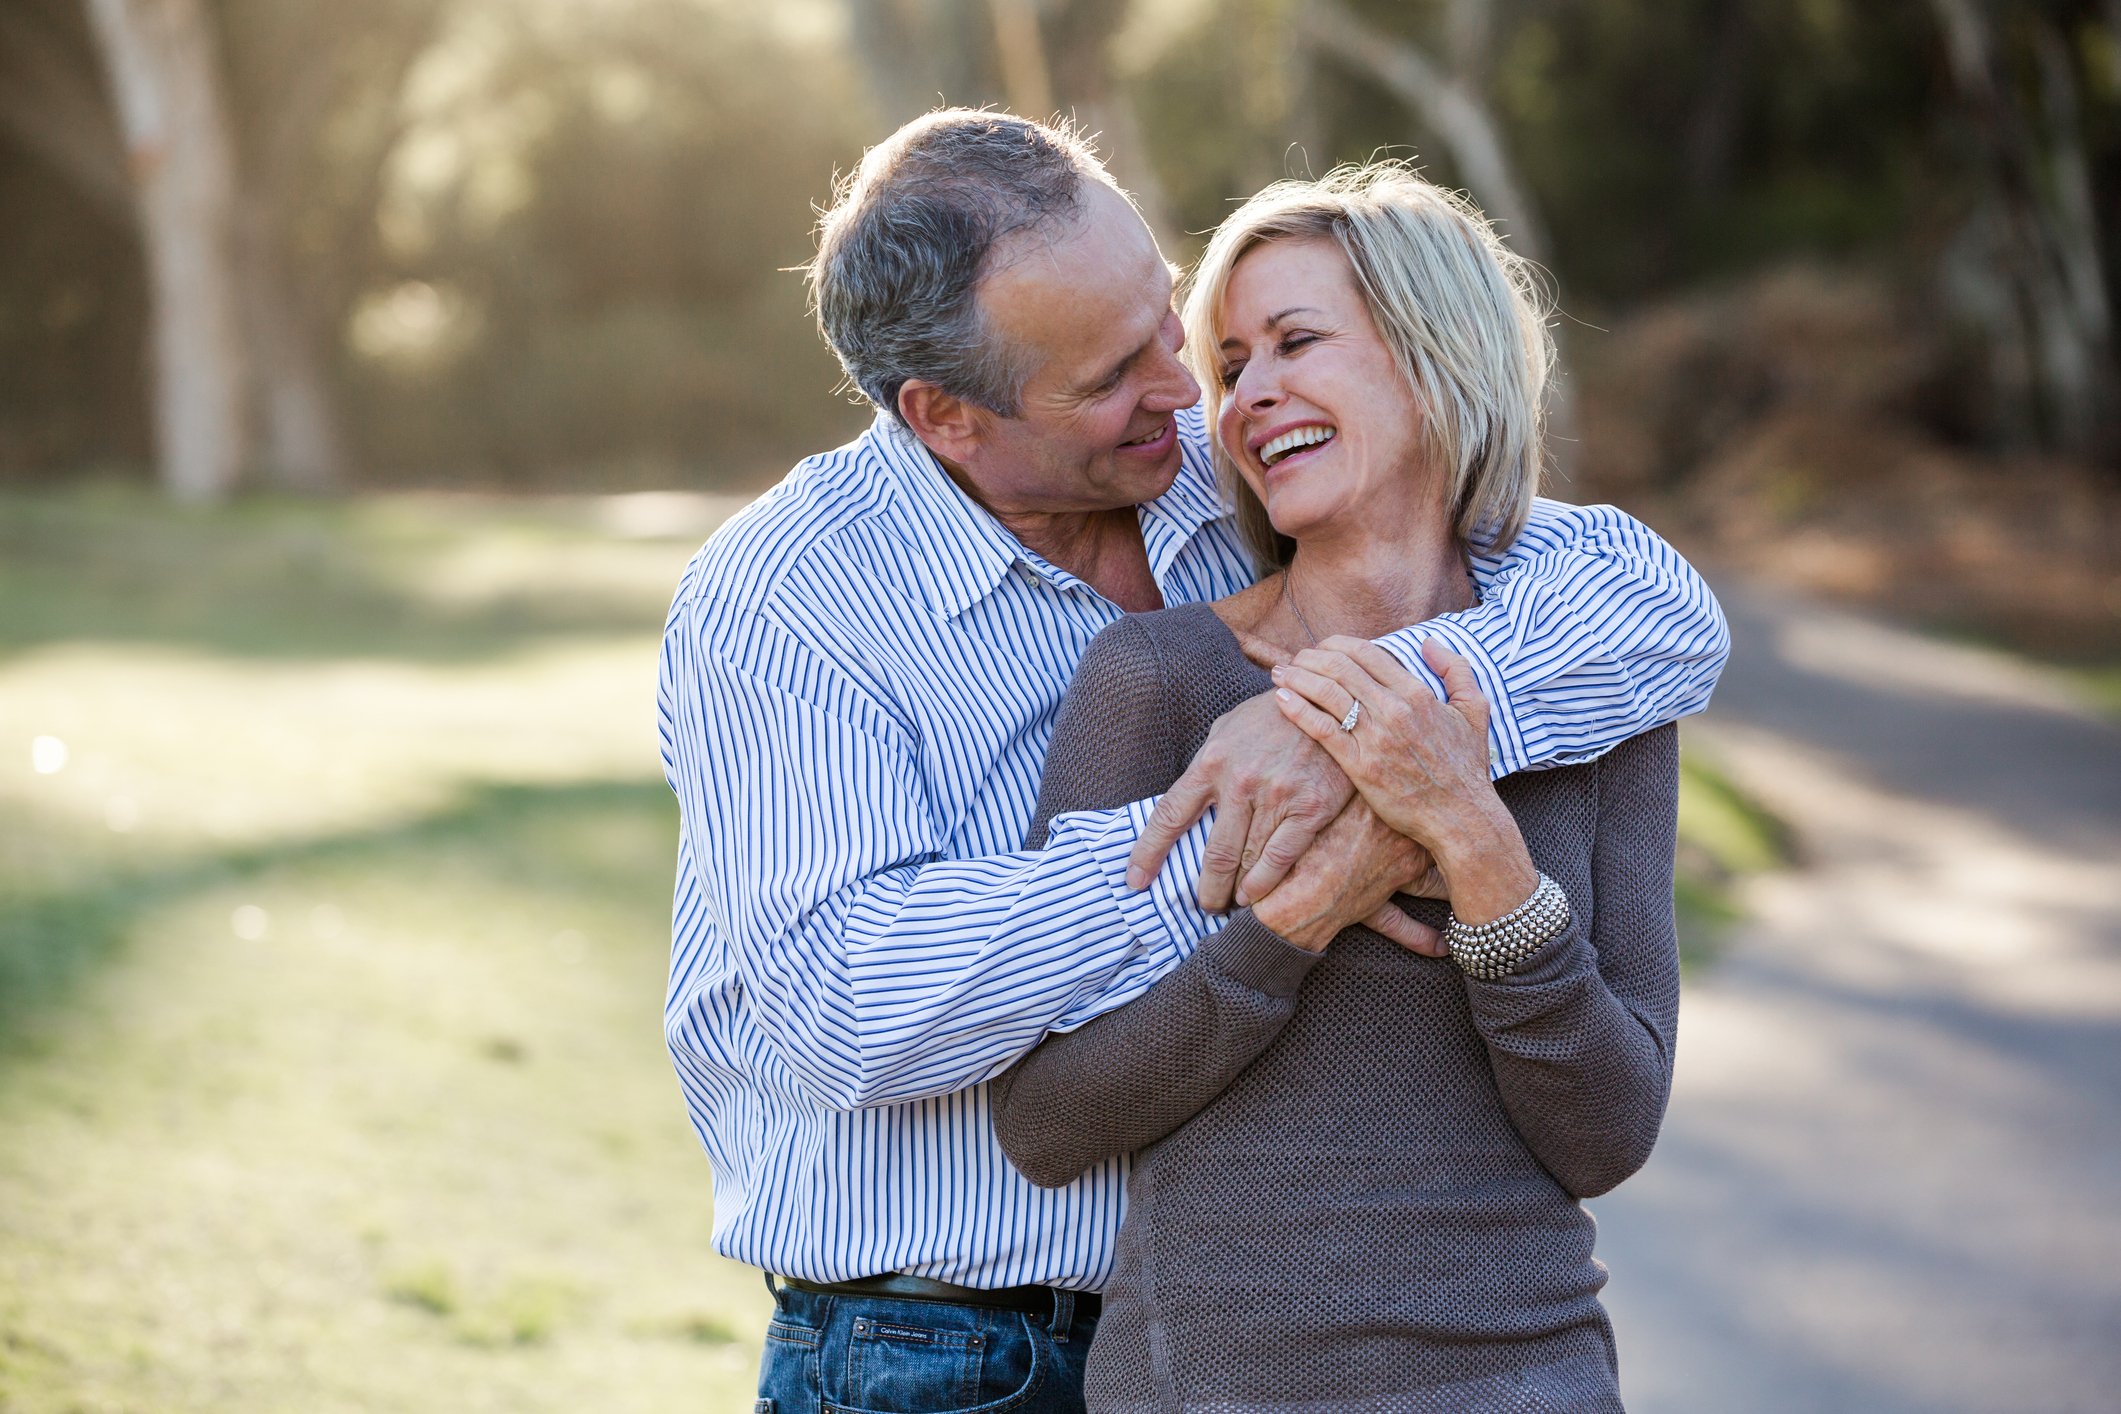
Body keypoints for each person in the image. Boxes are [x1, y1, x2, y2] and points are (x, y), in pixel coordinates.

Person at [656, 111, 1725, 1414]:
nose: (1187, 386)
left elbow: (1651, 604)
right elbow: (846, 998)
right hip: (939, 1349)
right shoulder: (787, 601)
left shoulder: (1221, 488)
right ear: (946, 416)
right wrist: (1253, 848)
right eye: (1118, 368)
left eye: (1169, 320)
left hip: (1245, 1330)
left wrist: (1347, 726)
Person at [986, 165, 1677, 1411]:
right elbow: (1047, 1121)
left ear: (1433, 354)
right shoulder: (1161, 677)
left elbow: (1609, 1132)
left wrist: (1471, 836)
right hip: (1216, 1386)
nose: (1247, 397)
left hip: (1529, 1378)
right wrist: (1297, 918)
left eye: (1296, 342)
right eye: (1234, 362)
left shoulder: (1596, 680)